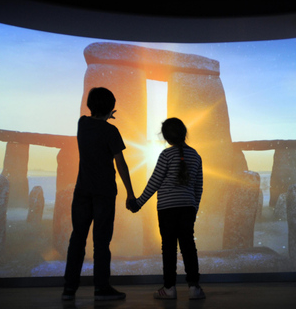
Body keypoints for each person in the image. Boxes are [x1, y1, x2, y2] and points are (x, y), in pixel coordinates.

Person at [62, 87, 135, 301]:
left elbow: (93, 118)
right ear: (112, 108)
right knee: (101, 242)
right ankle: (101, 288)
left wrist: (104, 114)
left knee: (77, 238)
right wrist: (130, 193)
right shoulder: (111, 131)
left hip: (82, 191)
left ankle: (69, 289)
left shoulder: (82, 124)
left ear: (90, 105)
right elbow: (120, 163)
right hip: (104, 193)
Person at [128, 117, 205, 300]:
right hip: (187, 208)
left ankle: (169, 288)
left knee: (168, 247)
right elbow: (198, 186)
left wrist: (138, 203)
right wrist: (194, 208)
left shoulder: (165, 156)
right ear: (184, 134)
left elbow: (154, 182)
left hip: (167, 209)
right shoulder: (195, 155)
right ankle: (194, 287)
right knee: (188, 247)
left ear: (166, 137)